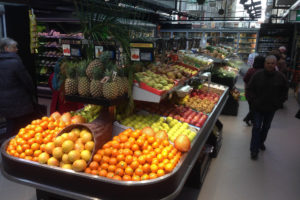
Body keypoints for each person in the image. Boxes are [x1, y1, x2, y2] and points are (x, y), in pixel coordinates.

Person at [246, 55, 288, 160]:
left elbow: (284, 92)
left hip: (271, 108)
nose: (270, 65)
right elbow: (249, 89)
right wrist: (253, 101)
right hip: (257, 107)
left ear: (275, 64)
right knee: (256, 127)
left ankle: (260, 142)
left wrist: (278, 103)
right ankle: (254, 150)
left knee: (266, 127)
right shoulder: (257, 75)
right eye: (268, 63)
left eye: (272, 63)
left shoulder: (280, 77)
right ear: (265, 64)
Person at [0, 38, 36, 143]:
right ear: (6, 48)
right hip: (20, 101)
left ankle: (8, 148)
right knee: (24, 126)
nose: (17, 49)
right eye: (14, 47)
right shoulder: (15, 62)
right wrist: (32, 94)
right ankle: (22, 147)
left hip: (4, 102)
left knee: (10, 124)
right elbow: (27, 81)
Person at [243, 55, 265, 126]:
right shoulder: (264, 71)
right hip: (260, 94)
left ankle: (251, 119)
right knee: (256, 108)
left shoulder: (251, 70)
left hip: (249, 93)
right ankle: (250, 119)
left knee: (251, 107)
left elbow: (245, 79)